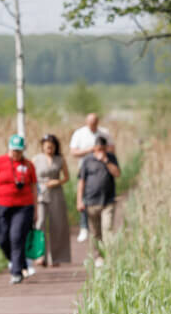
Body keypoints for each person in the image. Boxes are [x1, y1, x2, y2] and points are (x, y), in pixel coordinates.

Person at [0, 134, 38, 284]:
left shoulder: (28, 165)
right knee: (2, 238)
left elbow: (33, 187)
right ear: (9, 149)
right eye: (14, 150)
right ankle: (20, 263)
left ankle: (16, 272)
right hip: (2, 206)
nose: (16, 154)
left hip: (24, 207)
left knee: (16, 236)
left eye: (19, 151)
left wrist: (36, 210)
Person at [68, 113, 114, 244]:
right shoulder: (79, 133)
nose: (92, 125)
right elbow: (73, 152)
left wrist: (104, 155)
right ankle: (84, 226)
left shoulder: (104, 132)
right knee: (85, 195)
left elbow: (112, 148)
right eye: (90, 122)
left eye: (94, 122)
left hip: (102, 166)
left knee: (100, 189)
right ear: (87, 122)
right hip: (85, 165)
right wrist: (90, 151)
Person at [75, 135, 120, 267]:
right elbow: (81, 181)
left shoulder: (111, 158)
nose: (100, 151)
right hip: (91, 201)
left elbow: (117, 174)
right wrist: (79, 200)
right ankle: (98, 256)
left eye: (103, 148)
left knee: (108, 229)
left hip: (108, 201)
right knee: (95, 232)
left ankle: (110, 255)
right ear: (94, 148)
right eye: (98, 148)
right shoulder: (87, 161)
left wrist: (106, 161)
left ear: (106, 148)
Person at [32, 133, 71, 265]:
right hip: (40, 194)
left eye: (52, 147)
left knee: (57, 225)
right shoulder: (36, 159)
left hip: (56, 193)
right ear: (42, 147)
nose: (49, 149)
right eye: (47, 146)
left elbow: (66, 176)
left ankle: (58, 257)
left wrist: (57, 182)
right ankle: (39, 255)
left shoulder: (60, 159)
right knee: (40, 222)